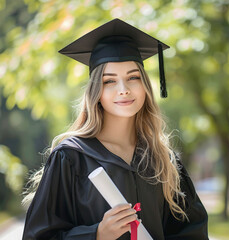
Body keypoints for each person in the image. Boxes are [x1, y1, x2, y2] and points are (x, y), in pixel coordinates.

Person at [22, 18, 208, 240]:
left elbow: (192, 231)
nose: (123, 90)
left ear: (145, 86)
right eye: (110, 81)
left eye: (133, 77)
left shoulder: (163, 160)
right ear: (96, 92)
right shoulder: (71, 158)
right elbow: (38, 236)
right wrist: (97, 234)